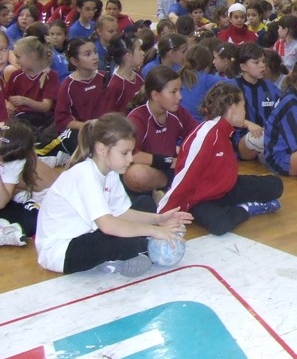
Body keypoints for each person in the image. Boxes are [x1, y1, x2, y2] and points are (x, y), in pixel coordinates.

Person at [35, 113, 192, 276]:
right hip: (61, 251)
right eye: (125, 153)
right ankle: (126, 255)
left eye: (131, 152)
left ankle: (127, 253)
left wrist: (159, 219)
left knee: (145, 203)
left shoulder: (110, 173)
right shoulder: (85, 174)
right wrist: (153, 231)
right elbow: (108, 225)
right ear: (101, 149)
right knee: (111, 240)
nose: (130, 159)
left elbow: (121, 213)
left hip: (89, 233)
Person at [158, 83, 283, 235]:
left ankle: (233, 206)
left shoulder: (225, 129)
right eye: (243, 106)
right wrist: (162, 215)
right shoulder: (207, 136)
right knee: (221, 225)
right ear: (233, 108)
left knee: (276, 185)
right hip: (201, 199)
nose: (245, 112)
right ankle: (246, 208)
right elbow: (184, 177)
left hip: (225, 189)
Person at [125, 65, 198, 197]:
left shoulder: (178, 112)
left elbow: (199, 135)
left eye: (180, 91)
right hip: (153, 170)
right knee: (135, 174)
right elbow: (132, 154)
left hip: (173, 168)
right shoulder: (137, 117)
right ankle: (169, 189)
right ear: (155, 95)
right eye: (173, 92)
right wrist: (169, 161)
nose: (180, 97)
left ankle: (166, 191)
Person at [0, 122, 59, 242]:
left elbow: (1, 202)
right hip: (30, 195)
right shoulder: (10, 151)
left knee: (31, 220)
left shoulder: (14, 159)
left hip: (50, 199)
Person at [7, 37, 60, 133]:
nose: (16, 61)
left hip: (45, 119)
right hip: (22, 118)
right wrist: (8, 104)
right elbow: (6, 98)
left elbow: (46, 107)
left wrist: (25, 101)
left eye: (18, 57)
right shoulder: (16, 75)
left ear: (33, 55)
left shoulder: (51, 75)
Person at [104, 34, 144, 114]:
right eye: (139, 50)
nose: (143, 53)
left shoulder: (138, 76)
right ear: (128, 56)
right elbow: (109, 117)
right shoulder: (115, 86)